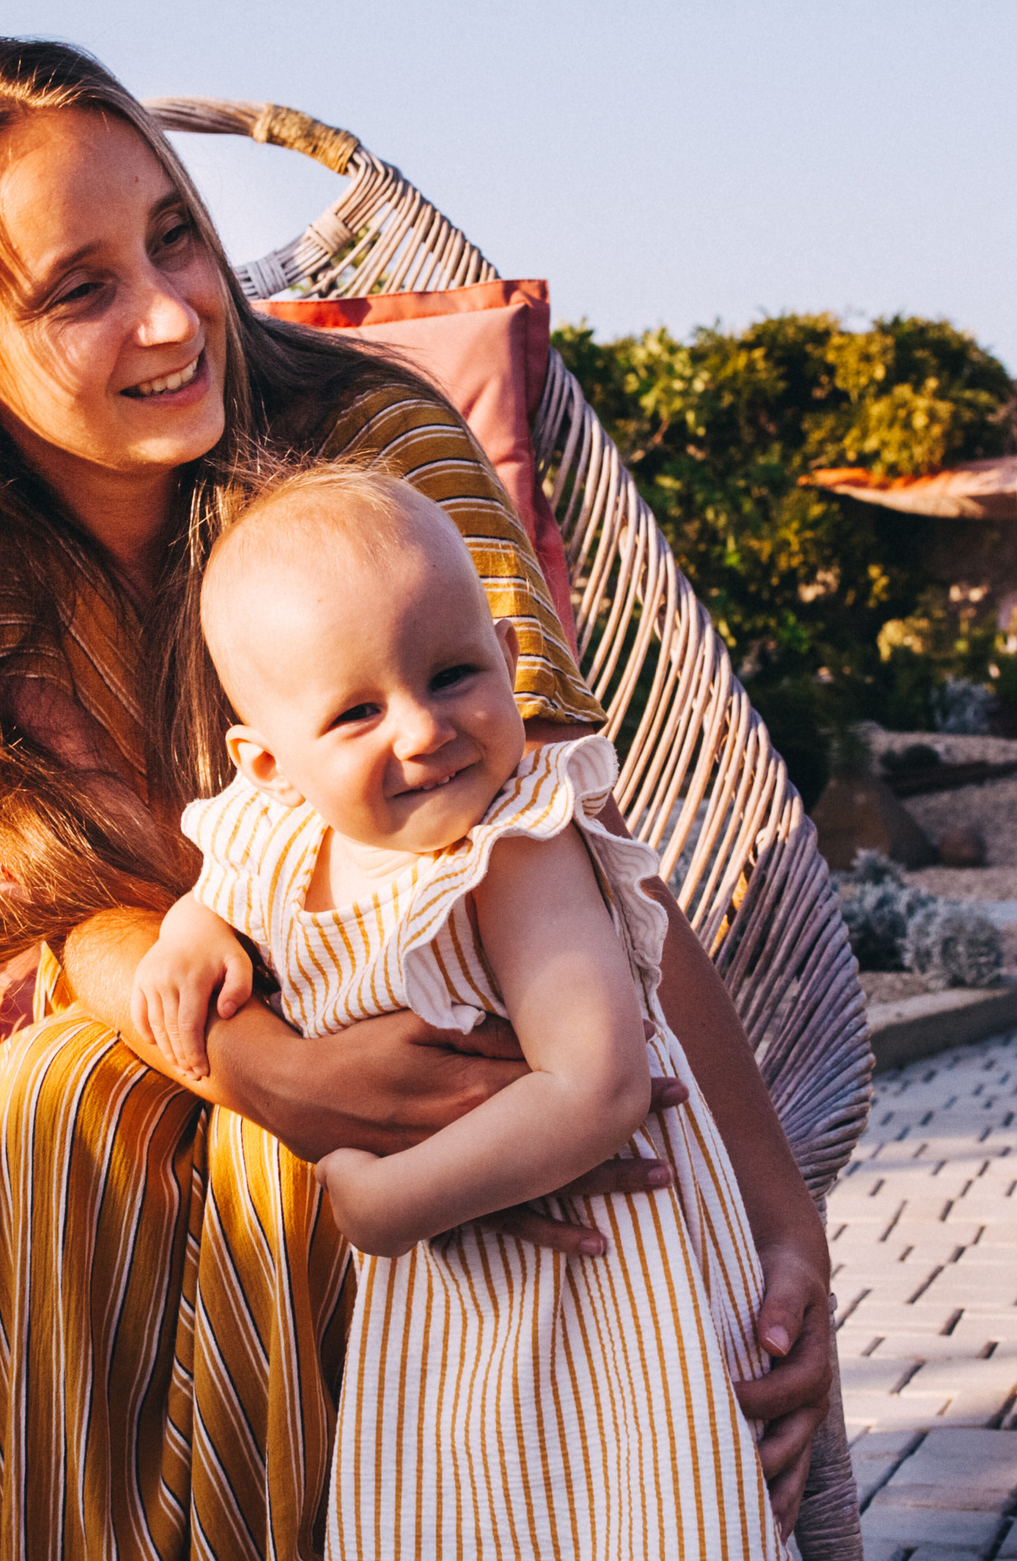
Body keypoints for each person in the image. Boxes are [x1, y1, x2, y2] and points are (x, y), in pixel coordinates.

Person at [0, 36, 836, 1560]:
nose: (175, 313)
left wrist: (784, 1218)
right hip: (185, 1053)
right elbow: (53, 912)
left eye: (175, 234)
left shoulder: (371, 453)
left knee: (173, 1134)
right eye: (79, 289)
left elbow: (559, 832)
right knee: (60, 1104)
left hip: (484, 1019)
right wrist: (262, 1067)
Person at [136, 462, 792, 1559]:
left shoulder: (517, 844)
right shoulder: (277, 830)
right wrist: (190, 930)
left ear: (505, 650)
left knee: (631, 1510)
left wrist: (387, 1203)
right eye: (356, 712)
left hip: (607, 1276)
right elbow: (225, 884)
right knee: (461, 1506)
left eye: (451, 674)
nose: (422, 729)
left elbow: (596, 1083)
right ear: (270, 763)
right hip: (457, 1291)